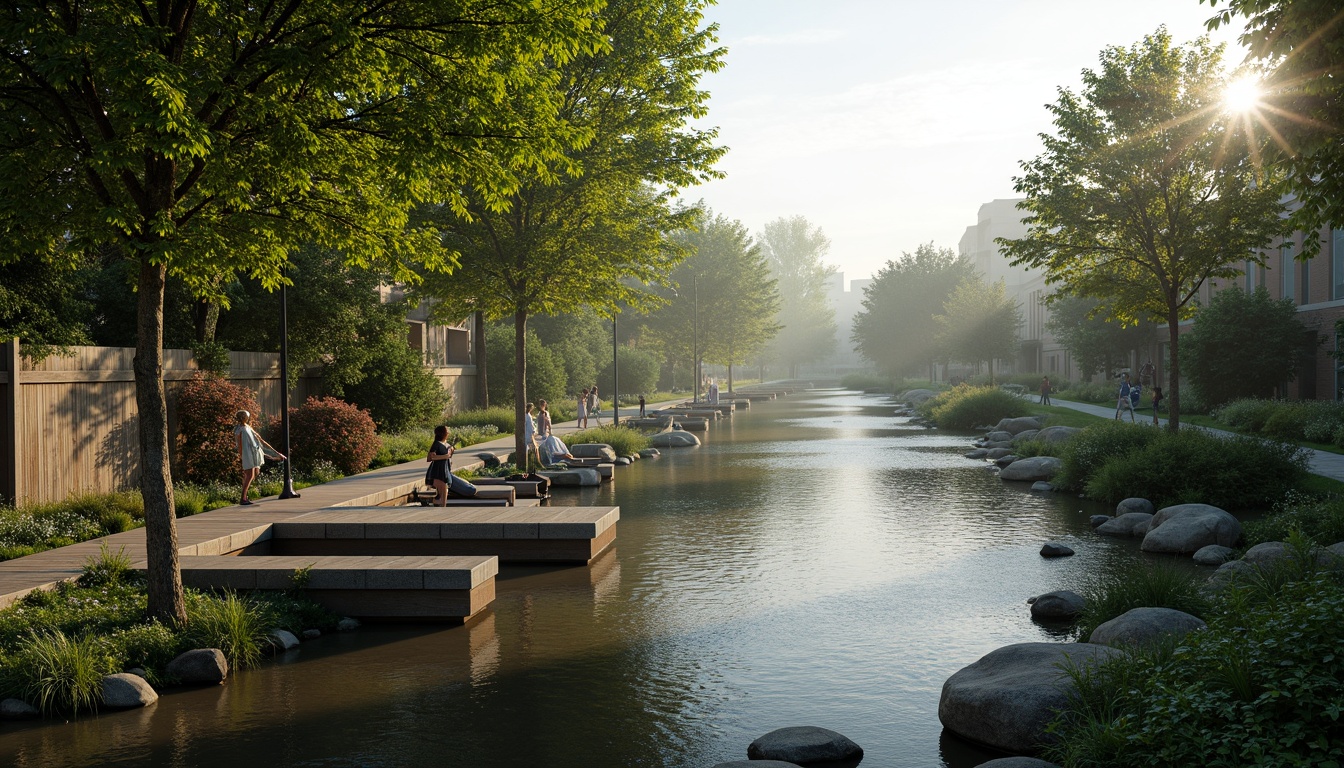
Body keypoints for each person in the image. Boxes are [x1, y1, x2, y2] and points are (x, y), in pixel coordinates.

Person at [233, 410, 284, 506]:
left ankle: (245, 497)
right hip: (247, 453)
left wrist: (276, 453)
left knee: (253, 473)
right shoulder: (239, 430)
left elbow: (260, 440)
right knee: (249, 475)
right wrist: (242, 456)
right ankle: (243, 498)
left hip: (252, 452)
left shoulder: (247, 427)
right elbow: (239, 445)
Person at [424, 425, 477, 504]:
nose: (448, 433)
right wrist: (445, 456)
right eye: (447, 432)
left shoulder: (446, 444)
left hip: (446, 471)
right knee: (442, 494)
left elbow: (448, 457)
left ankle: (438, 505)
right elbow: (430, 458)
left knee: (444, 494)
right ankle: (431, 502)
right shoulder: (437, 444)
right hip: (438, 471)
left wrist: (450, 452)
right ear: (443, 433)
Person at [523, 402, 539, 467]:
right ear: (529, 408)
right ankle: (534, 462)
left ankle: (533, 461)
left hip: (528, 434)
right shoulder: (527, 416)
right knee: (534, 448)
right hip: (529, 434)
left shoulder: (527, 415)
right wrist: (533, 431)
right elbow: (530, 426)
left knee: (531, 448)